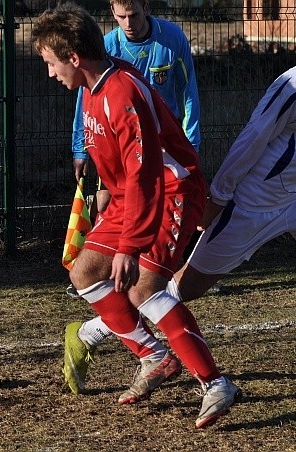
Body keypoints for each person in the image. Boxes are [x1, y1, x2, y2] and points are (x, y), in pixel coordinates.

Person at [63, 19, 296, 396]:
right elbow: (251, 140)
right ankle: (88, 333)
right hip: (252, 204)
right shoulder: (293, 88)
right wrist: (218, 198)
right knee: (176, 291)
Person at [32, 2, 241, 428]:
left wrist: (128, 246)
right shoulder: (92, 90)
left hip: (170, 190)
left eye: (51, 63)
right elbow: (119, 160)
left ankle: (216, 382)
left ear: (73, 58)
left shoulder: (122, 92)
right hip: (132, 192)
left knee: (143, 289)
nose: (50, 73)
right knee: (85, 271)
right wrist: (109, 191)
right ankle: (154, 356)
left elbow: (147, 171)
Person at [66, 0, 203, 299]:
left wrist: (191, 140)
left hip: (164, 147)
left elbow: (188, 89)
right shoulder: (106, 44)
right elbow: (85, 98)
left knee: (165, 204)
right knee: (107, 202)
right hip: (117, 143)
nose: (128, 23)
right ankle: (101, 267)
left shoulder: (172, 39)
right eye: (120, 17)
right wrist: (81, 147)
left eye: (134, 15)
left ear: (147, 7)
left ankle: (174, 271)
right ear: (112, 13)